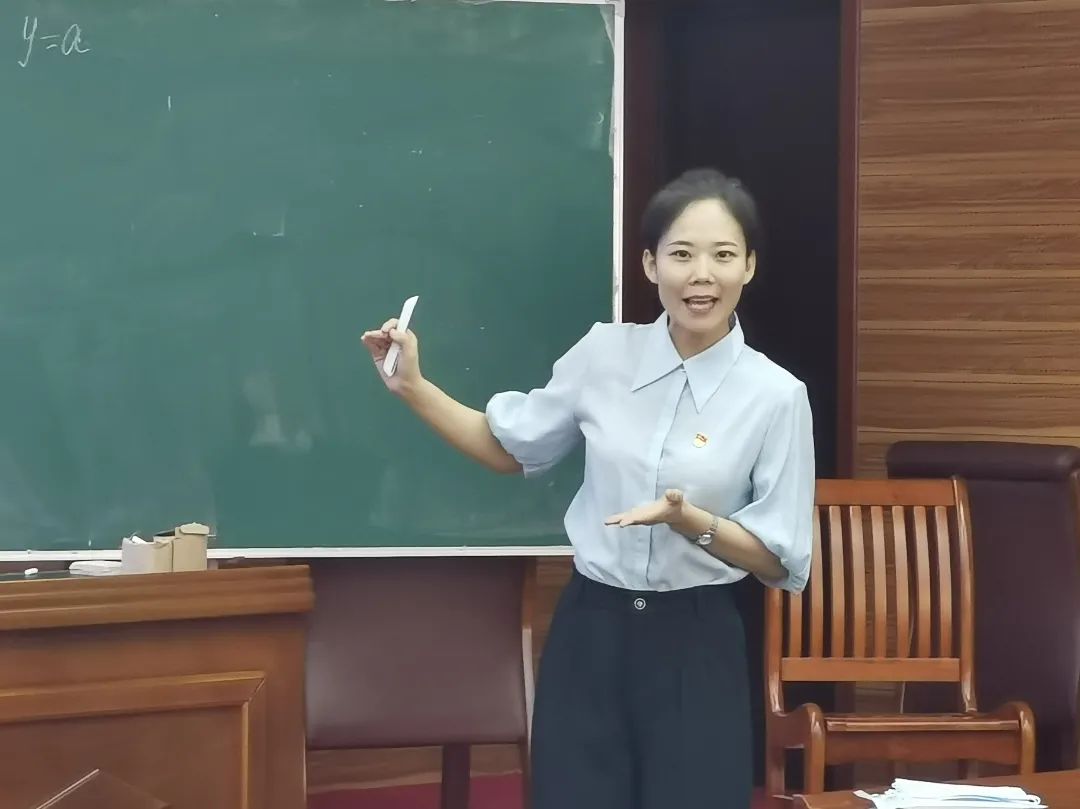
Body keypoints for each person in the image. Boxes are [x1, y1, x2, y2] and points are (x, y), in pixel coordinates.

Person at [361, 167, 815, 809]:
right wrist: (413, 387)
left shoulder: (776, 396)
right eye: (681, 255)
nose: (701, 275)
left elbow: (780, 560)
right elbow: (509, 448)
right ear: (651, 264)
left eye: (722, 255)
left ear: (749, 266)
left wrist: (693, 523)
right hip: (591, 629)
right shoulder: (603, 355)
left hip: (697, 641)